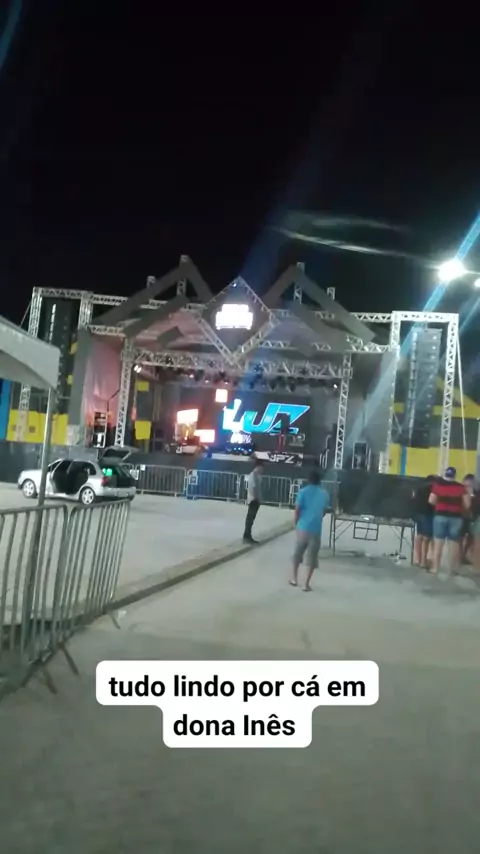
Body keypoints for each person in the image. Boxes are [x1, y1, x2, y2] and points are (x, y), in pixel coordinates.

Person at [290, 469, 329, 592]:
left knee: (297, 554)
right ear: (319, 481)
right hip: (316, 528)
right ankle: (306, 584)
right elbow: (324, 511)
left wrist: (296, 522)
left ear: (308, 480)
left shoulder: (302, 492)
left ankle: (294, 579)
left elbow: (297, 509)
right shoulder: (324, 494)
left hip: (302, 527)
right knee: (312, 557)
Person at [428, 466, 470, 575]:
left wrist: (440, 504)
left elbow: (431, 500)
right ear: (455, 476)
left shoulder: (438, 485)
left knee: (438, 544)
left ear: (445, 474)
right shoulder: (461, 488)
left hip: (440, 516)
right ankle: (452, 570)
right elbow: (467, 504)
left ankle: (435, 568)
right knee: (454, 544)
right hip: (456, 518)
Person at [412, 475, 436, 569]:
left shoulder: (419, 488)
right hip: (429, 514)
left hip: (419, 513)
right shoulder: (433, 489)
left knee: (419, 536)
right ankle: (423, 562)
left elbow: (414, 500)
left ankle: (418, 560)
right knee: (426, 538)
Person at [243, 460, 264, 544]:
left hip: (255, 499)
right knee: (250, 519)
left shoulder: (257, 475)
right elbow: (254, 488)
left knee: (251, 519)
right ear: (258, 466)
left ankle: (247, 535)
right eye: (261, 468)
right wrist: (257, 498)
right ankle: (247, 536)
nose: (262, 470)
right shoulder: (253, 475)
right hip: (253, 500)